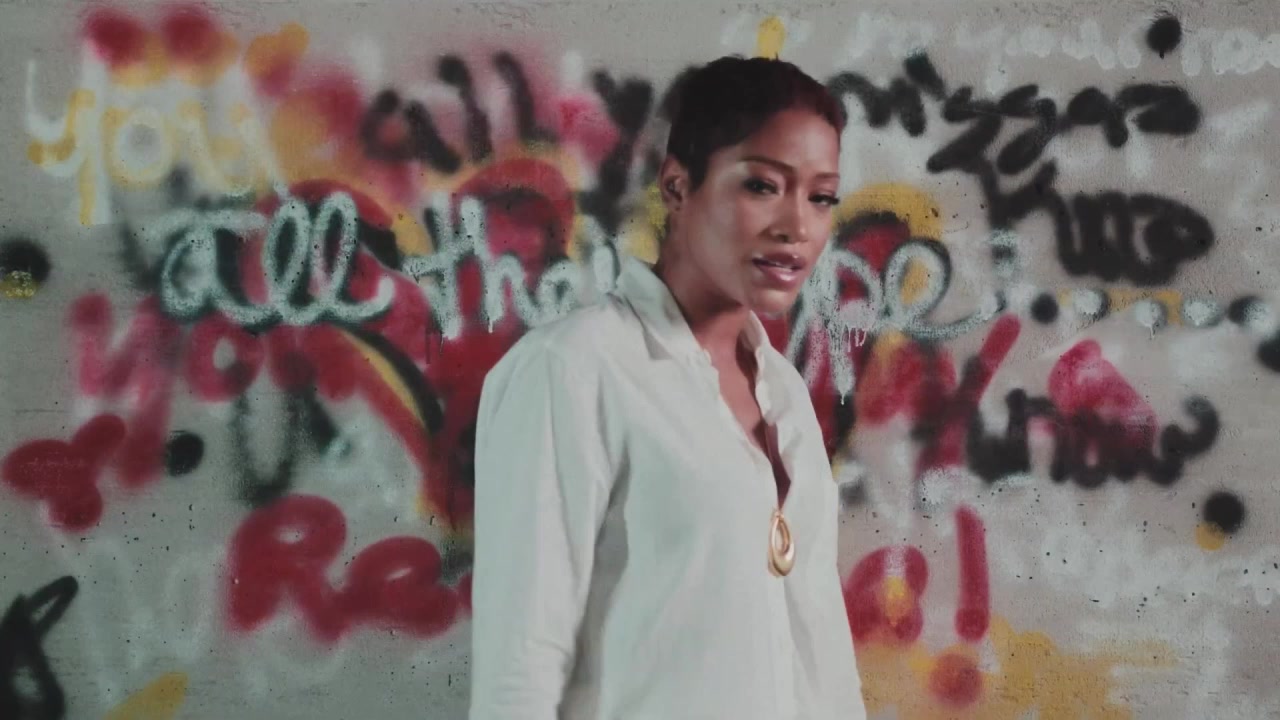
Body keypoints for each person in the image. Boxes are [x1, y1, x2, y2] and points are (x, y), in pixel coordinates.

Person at [468, 55, 865, 720]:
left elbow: (823, 655)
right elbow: (519, 673)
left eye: (821, 197)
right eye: (763, 186)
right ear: (678, 187)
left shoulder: (785, 392)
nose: (797, 226)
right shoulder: (572, 371)